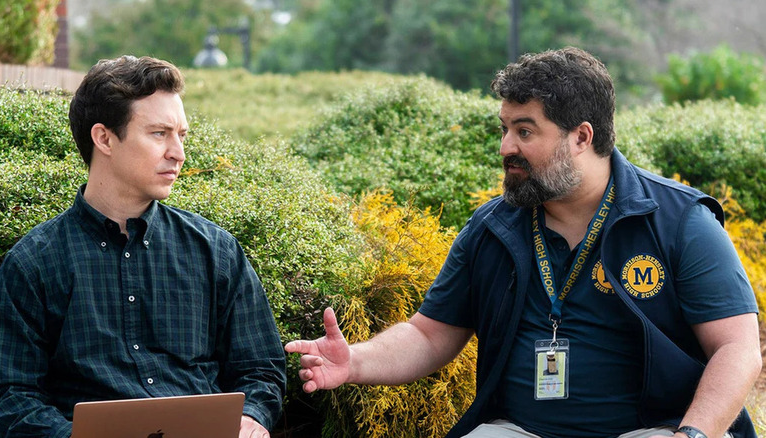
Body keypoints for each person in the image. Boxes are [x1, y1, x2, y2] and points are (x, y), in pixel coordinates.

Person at [285, 47, 762, 438]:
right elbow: (430, 334)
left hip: (656, 431)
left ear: (581, 136)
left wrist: (693, 434)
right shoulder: (493, 227)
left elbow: (737, 349)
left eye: (525, 131)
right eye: (505, 129)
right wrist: (357, 361)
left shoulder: (680, 221)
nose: (505, 147)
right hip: (518, 431)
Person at [0, 55, 286, 438]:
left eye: (182, 135)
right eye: (160, 134)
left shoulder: (216, 251)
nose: (178, 152)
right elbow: (8, 396)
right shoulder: (35, 263)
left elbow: (260, 368)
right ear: (104, 138)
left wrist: (252, 418)